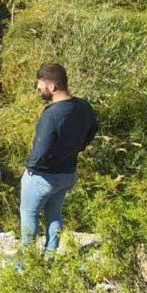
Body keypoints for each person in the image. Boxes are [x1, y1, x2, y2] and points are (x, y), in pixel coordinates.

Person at [20, 63, 98, 254]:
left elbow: (41, 149)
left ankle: (27, 262)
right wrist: (78, 148)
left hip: (43, 177)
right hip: (67, 174)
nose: (38, 88)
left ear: (52, 87)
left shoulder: (52, 114)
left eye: (41, 85)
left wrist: (31, 168)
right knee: (54, 214)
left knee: (29, 215)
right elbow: (93, 128)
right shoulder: (83, 106)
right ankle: (50, 256)